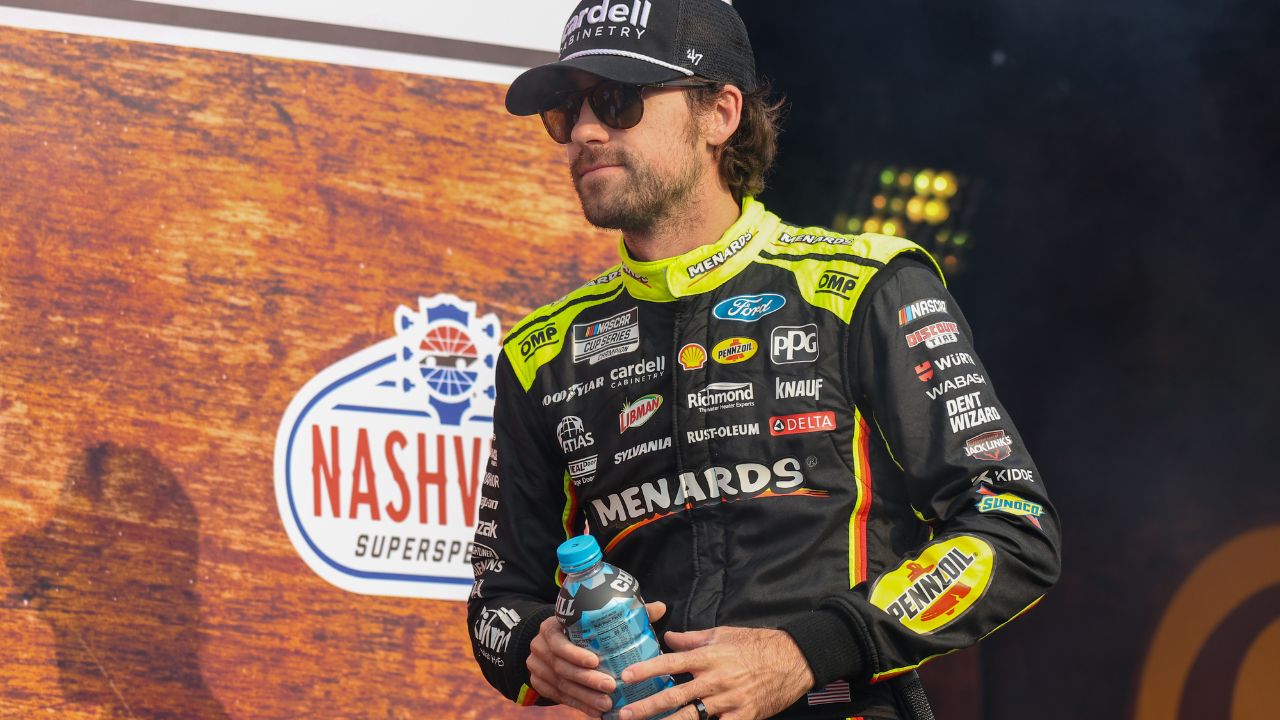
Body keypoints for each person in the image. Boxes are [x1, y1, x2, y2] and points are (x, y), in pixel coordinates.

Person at [467, 1, 1061, 718]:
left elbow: (1011, 525)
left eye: (619, 100)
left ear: (719, 114)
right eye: (568, 109)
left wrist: (806, 651)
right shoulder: (542, 354)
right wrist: (536, 646)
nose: (586, 131)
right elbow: (499, 598)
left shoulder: (865, 288)